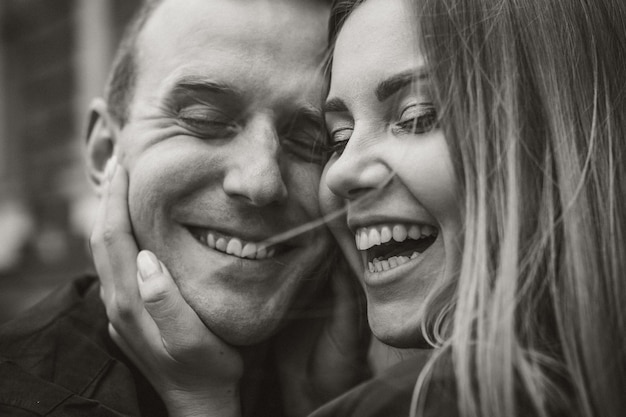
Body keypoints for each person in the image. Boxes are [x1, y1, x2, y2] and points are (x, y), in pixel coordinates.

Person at [112, 0, 626, 416]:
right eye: (335, 138)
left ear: (564, 135)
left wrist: (199, 402)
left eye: (417, 116)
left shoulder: (444, 398)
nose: (336, 174)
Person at [0, 0, 370, 416]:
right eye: (204, 118)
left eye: (313, 143)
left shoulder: (364, 374)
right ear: (105, 152)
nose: (261, 181)